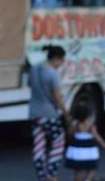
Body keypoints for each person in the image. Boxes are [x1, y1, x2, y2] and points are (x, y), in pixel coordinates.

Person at [29, 45, 68, 181]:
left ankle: (41, 175)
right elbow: (57, 97)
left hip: (34, 112)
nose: (61, 64)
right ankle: (51, 174)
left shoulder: (34, 68)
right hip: (49, 113)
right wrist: (65, 112)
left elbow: (31, 85)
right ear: (56, 59)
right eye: (61, 61)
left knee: (39, 144)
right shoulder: (53, 74)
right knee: (58, 141)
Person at [63, 100, 105, 181]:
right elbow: (96, 135)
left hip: (77, 150)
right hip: (89, 150)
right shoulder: (90, 125)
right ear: (88, 114)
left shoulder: (75, 124)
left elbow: (69, 134)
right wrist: (103, 144)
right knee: (91, 168)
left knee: (78, 170)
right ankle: (88, 179)